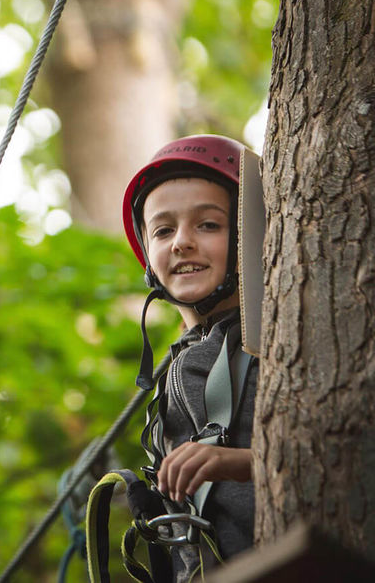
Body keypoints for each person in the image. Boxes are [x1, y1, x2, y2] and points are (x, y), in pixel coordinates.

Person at [121, 135, 257, 581]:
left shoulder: (271, 341)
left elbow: (341, 452)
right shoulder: (186, 357)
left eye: (208, 225)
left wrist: (239, 463)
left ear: (249, 233)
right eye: (163, 231)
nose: (181, 242)